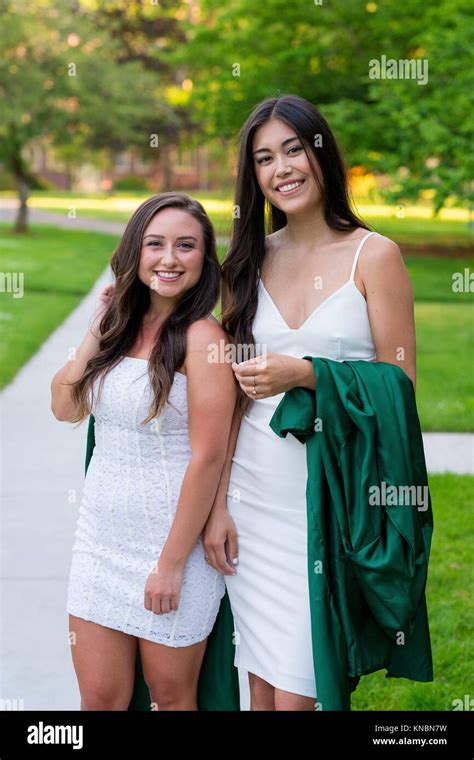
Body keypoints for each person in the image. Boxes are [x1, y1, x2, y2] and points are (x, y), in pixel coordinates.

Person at [203, 94, 416, 711]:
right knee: (262, 690)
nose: (282, 168)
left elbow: (400, 389)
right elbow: (228, 405)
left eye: (294, 149)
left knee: (301, 687)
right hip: (249, 499)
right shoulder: (246, 263)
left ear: (323, 153)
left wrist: (308, 373)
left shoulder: (374, 255)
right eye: (264, 158)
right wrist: (216, 508)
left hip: (325, 496)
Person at [51, 192, 236, 710]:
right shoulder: (118, 329)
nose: (169, 259)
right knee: (100, 701)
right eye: (154, 244)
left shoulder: (203, 339)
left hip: (171, 547)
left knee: (173, 699)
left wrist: (172, 564)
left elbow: (207, 457)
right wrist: (98, 323)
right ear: (135, 252)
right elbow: (64, 407)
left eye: (186, 245)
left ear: (205, 258)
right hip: (99, 543)